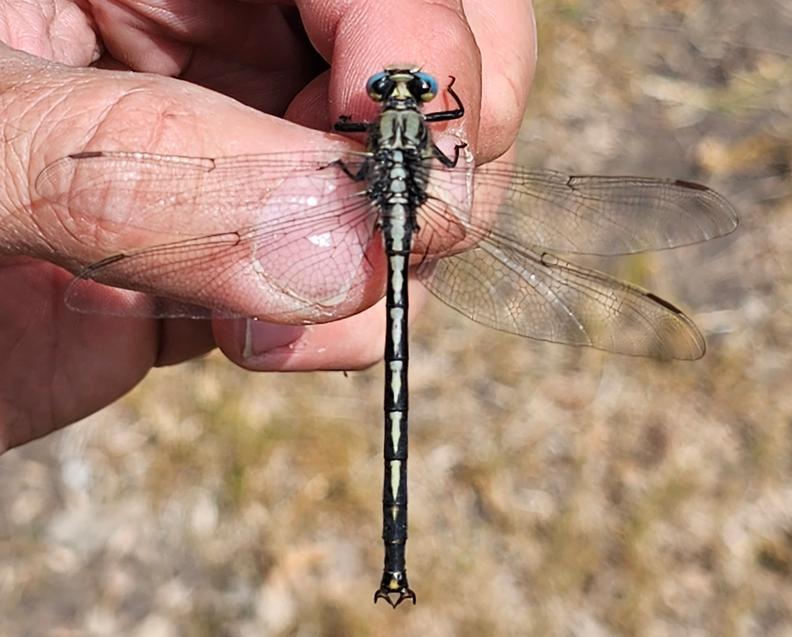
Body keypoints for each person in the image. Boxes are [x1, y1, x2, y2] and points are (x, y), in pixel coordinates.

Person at [0, 0, 537, 450]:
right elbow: (449, 136)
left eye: (411, 90)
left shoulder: (363, 132)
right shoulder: (426, 126)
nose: (399, 93)